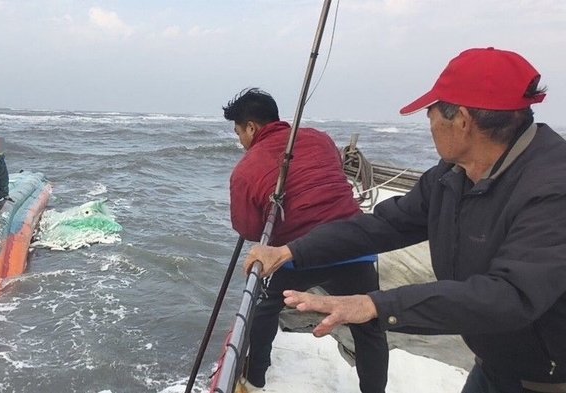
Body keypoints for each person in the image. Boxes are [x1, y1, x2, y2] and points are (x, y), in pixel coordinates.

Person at [244, 47, 566, 393]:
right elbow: (383, 225)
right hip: (492, 364)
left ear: (461, 119)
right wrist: (291, 251)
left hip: (546, 380)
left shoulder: (553, 187)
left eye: (431, 111)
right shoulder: (453, 176)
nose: (427, 120)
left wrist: (373, 305)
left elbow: (509, 295)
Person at [224, 88, 388, 393]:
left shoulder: (245, 170)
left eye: (239, 133)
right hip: (356, 244)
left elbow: (248, 229)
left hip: (300, 252)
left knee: (265, 305)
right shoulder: (321, 138)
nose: (240, 141)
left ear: (251, 127)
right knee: (369, 326)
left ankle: (255, 378)